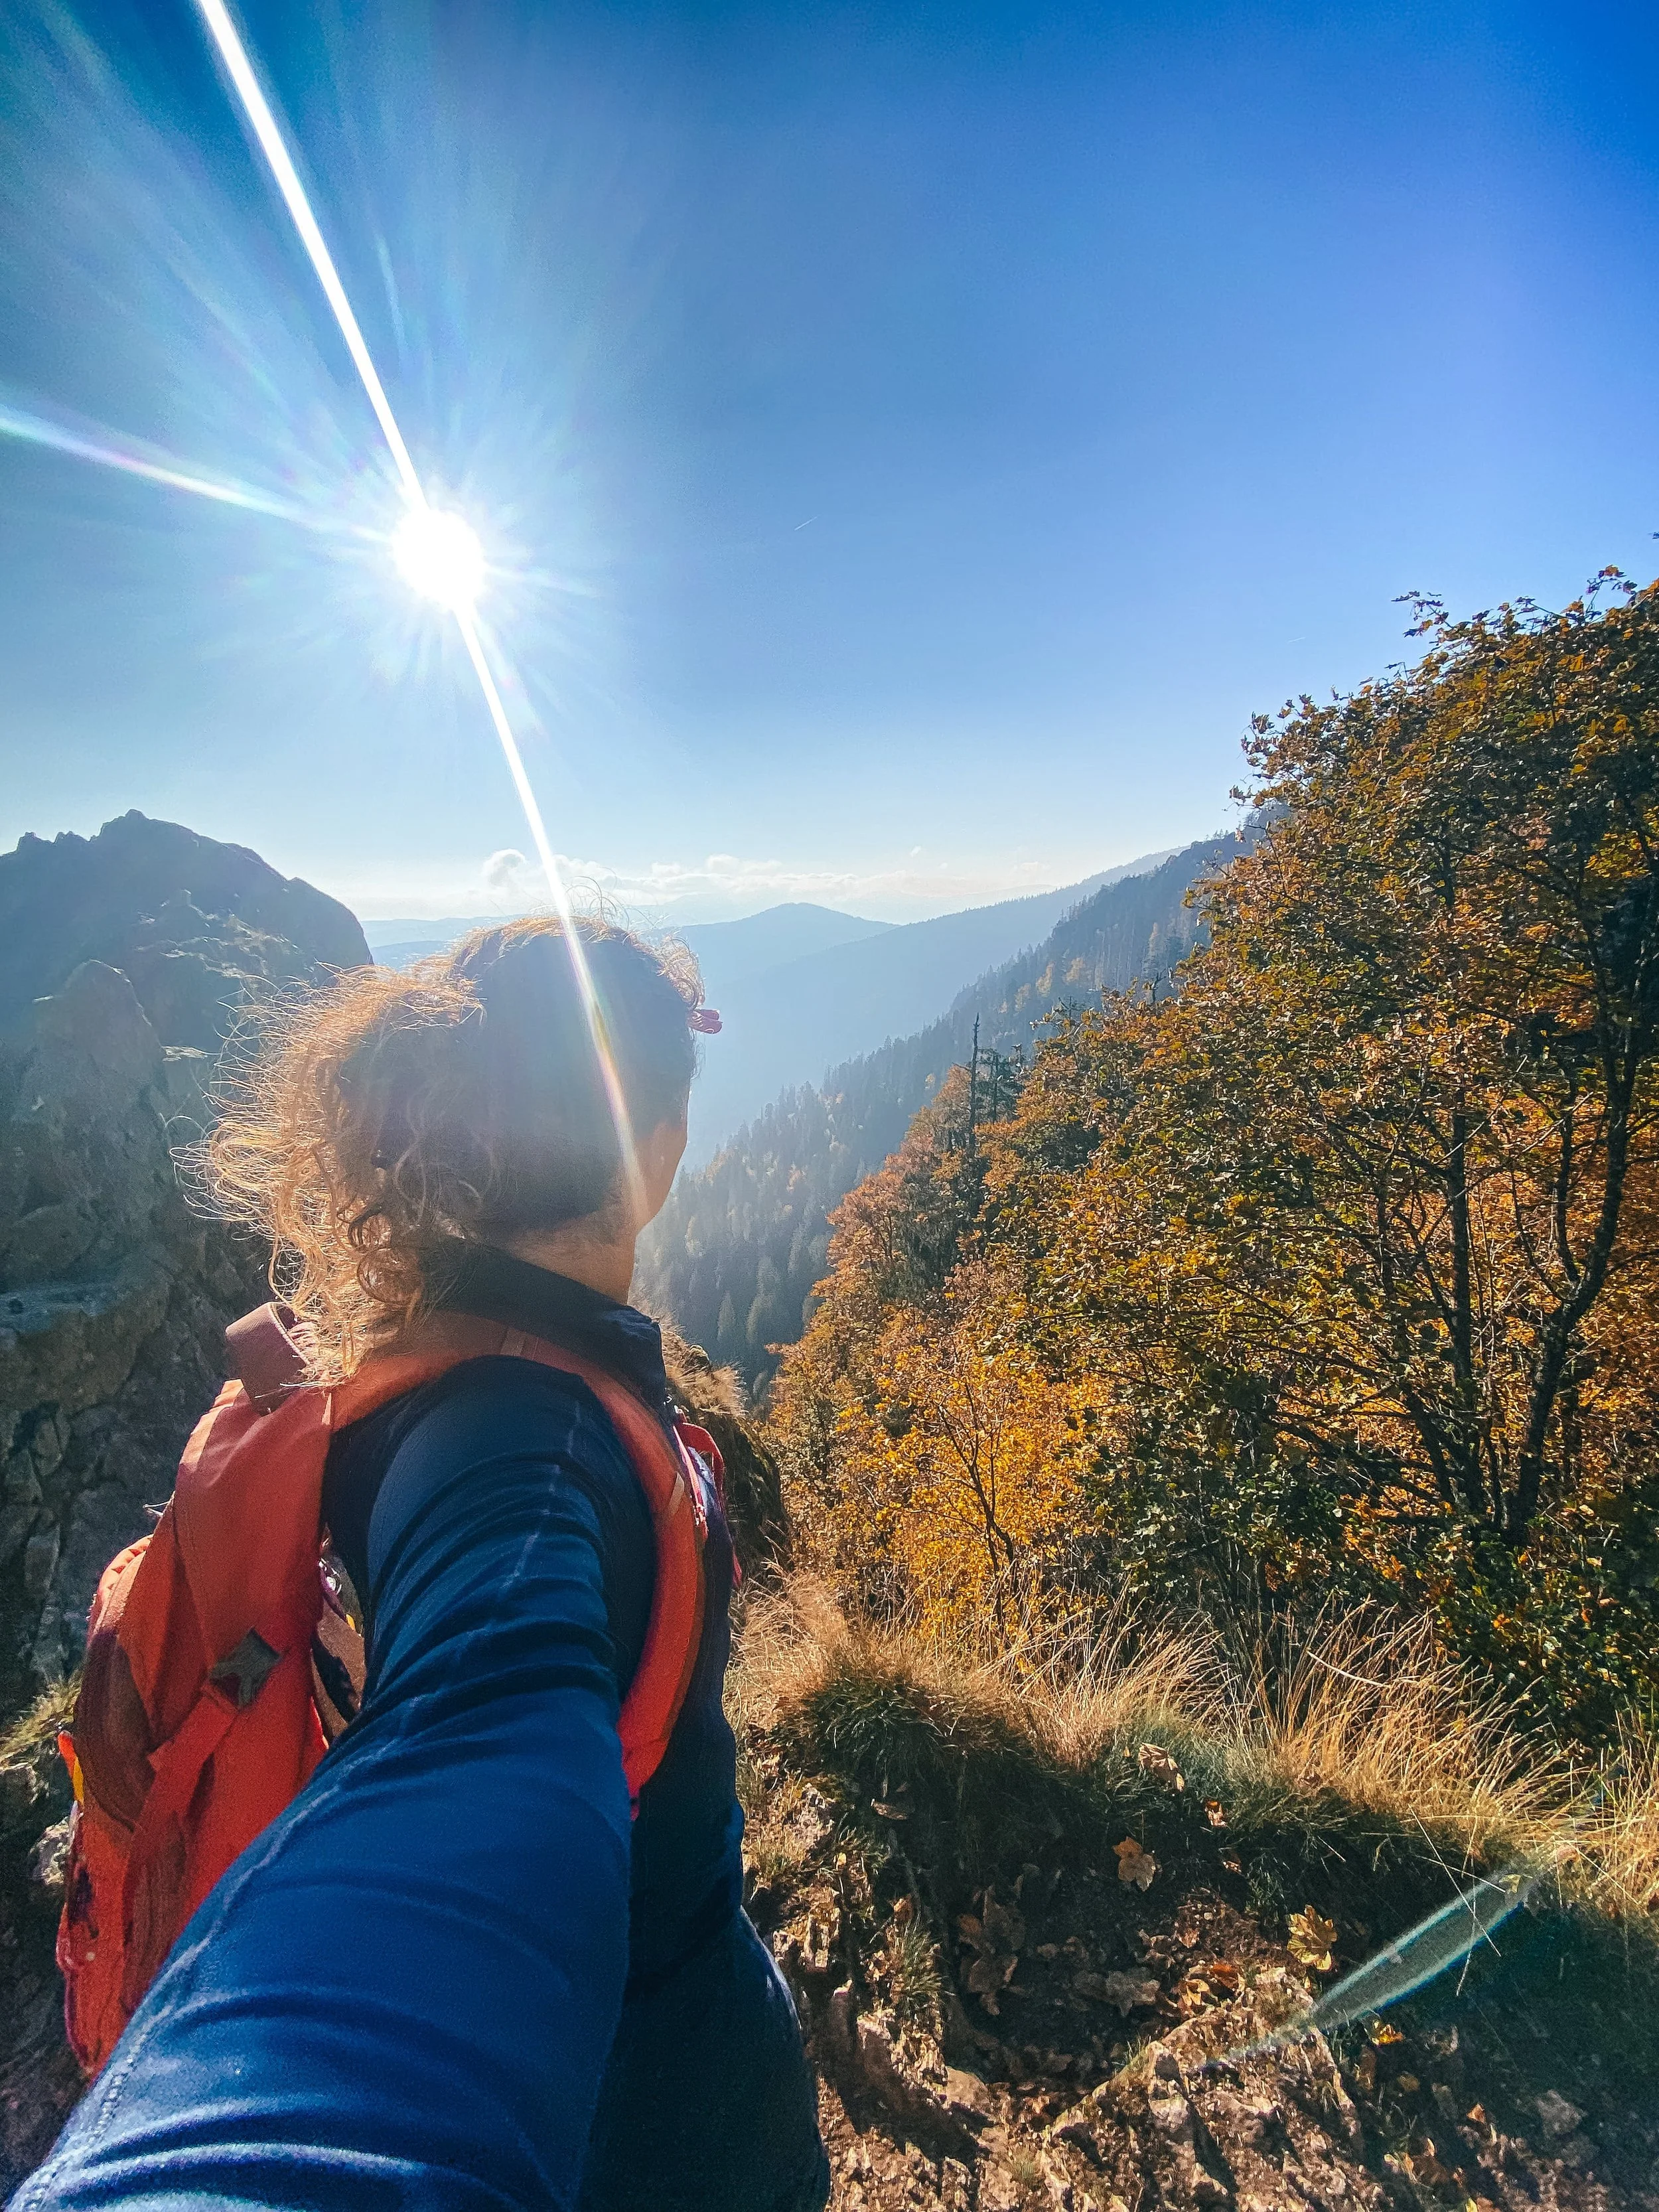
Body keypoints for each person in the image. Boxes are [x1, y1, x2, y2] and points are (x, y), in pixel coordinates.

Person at [17, 917, 830, 2212]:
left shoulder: (423, 1374)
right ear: (653, 1148)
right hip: (656, 2132)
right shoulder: (529, 1447)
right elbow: (489, 1738)